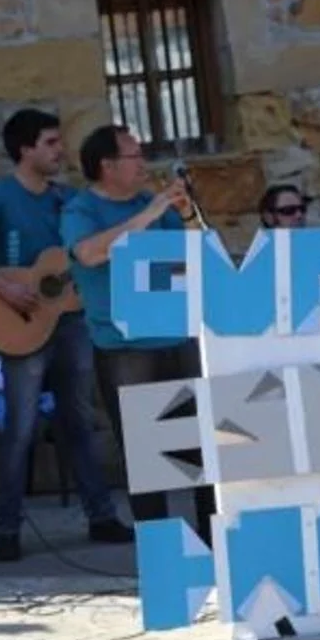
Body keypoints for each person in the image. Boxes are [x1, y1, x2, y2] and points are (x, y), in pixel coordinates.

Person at [0, 109, 133, 562]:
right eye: (50, 143)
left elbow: (81, 256)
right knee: (21, 426)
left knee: (79, 421)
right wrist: (4, 287)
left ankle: (101, 515)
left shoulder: (68, 200)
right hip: (20, 320)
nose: (60, 150)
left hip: (70, 320)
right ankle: (8, 528)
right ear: (25, 149)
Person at [60, 124, 216, 545]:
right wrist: (151, 213)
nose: (143, 163)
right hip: (126, 350)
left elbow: (200, 252)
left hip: (179, 338)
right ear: (107, 166)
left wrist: (186, 213)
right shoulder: (81, 210)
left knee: (203, 450)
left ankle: (213, 543)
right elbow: (89, 253)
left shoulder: (152, 202)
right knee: (146, 459)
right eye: (134, 155)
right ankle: (161, 553)